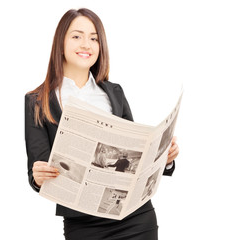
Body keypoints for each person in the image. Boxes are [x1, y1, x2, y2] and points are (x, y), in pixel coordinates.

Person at [25, 8, 180, 240]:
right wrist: (38, 177)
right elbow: (36, 171)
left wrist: (164, 161)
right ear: (61, 43)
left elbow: (135, 157)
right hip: (83, 225)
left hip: (136, 219)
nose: (86, 44)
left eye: (94, 38)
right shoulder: (37, 101)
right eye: (77, 36)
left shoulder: (114, 93)